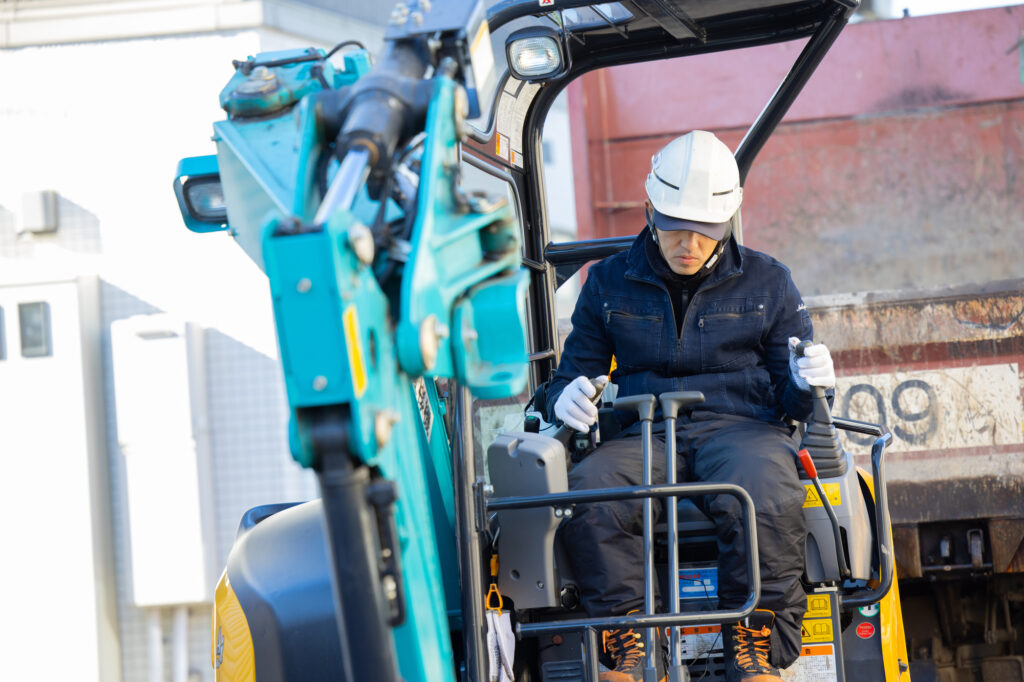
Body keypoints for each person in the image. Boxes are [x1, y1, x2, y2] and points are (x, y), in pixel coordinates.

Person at [544, 130, 835, 682]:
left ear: (729, 218)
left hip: (742, 429)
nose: (691, 243)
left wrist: (809, 383)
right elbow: (568, 378)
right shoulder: (606, 283)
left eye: (707, 230)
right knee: (592, 488)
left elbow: (795, 403)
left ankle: (755, 647)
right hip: (642, 433)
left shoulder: (770, 282)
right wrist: (569, 398)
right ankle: (625, 643)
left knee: (767, 489)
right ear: (650, 208)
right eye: (678, 227)